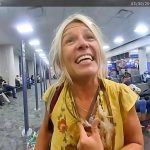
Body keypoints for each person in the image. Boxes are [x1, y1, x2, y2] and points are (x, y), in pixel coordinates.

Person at [35, 14, 143, 150]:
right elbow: (46, 131)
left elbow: (137, 143)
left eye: (90, 37)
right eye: (70, 40)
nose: (83, 44)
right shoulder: (53, 94)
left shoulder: (121, 95)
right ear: (60, 59)